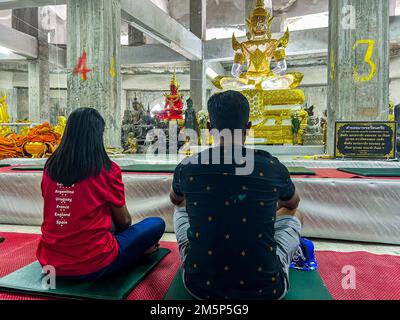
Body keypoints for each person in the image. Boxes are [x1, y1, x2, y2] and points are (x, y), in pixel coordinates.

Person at [170, 91, 303, 300]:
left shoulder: (187, 166)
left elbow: (176, 200)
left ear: (208, 128)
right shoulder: (270, 165)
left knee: (179, 209)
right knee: (295, 214)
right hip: (267, 290)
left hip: (199, 287)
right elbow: (293, 203)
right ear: (248, 127)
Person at [37, 107, 165, 280]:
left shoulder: (50, 167)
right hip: (94, 263)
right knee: (156, 223)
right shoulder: (107, 169)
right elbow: (125, 222)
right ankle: (135, 254)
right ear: (98, 136)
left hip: (50, 262)